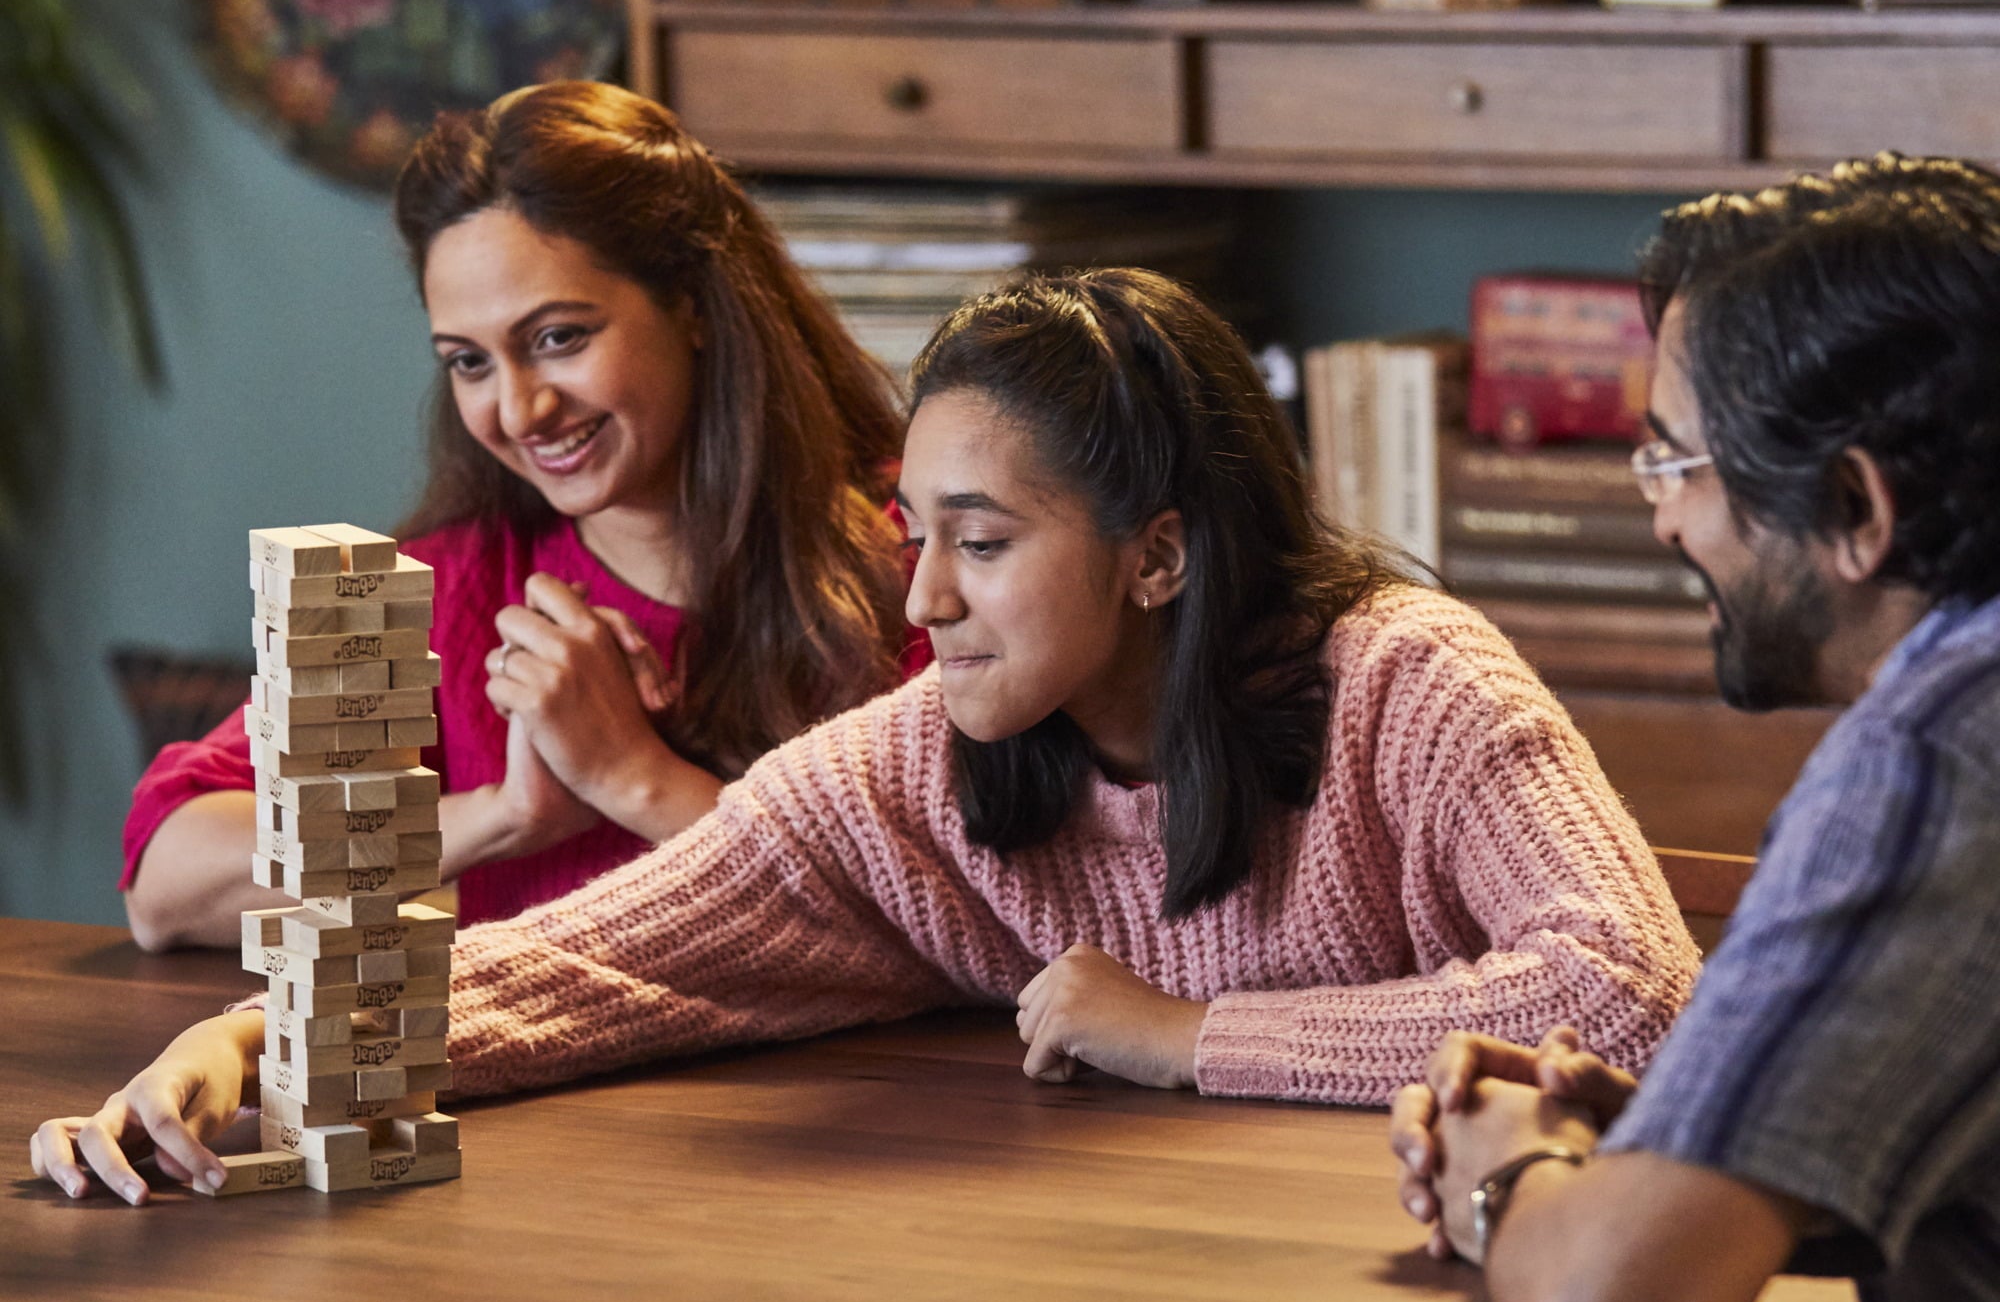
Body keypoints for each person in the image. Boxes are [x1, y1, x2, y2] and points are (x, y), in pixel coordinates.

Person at [46, 263, 1695, 1185]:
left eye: (983, 543)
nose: (924, 602)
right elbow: (608, 961)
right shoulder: (925, 763)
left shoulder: (1413, 685)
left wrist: (1192, 1041)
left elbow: (1627, 1002)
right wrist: (268, 1043)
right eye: (922, 534)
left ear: (1160, 553)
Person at [1391, 155, 2000, 1302]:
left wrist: (1508, 1177)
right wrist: (1666, 1141)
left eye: (1676, 462)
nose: (1658, 513)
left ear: (1856, 512)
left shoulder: (1940, 759)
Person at [122, 80, 915, 947]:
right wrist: (504, 817)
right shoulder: (432, 589)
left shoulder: (929, 554)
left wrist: (636, 779)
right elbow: (165, 884)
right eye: (468, 362)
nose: (519, 410)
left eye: (558, 338)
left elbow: (955, 932)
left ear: (690, 302)